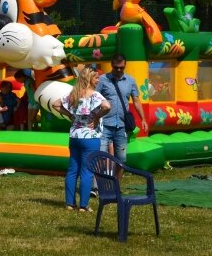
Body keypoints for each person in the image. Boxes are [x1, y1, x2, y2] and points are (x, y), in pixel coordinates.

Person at [53, 67, 110, 212]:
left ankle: (69, 204)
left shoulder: (74, 94)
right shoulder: (95, 95)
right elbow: (107, 106)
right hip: (90, 137)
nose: (98, 80)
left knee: (72, 170)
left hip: (74, 136)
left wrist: (70, 115)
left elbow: (55, 104)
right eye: (96, 78)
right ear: (90, 79)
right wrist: (97, 117)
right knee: (87, 171)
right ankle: (83, 206)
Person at [95, 53, 148, 166]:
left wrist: (143, 119)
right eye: (116, 67)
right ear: (111, 65)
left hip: (122, 126)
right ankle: (98, 183)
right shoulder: (102, 80)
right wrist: (93, 118)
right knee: (101, 157)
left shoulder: (130, 80)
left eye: (121, 67)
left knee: (121, 159)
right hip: (105, 124)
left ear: (125, 65)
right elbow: (94, 98)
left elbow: (136, 100)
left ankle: (117, 183)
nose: (118, 70)